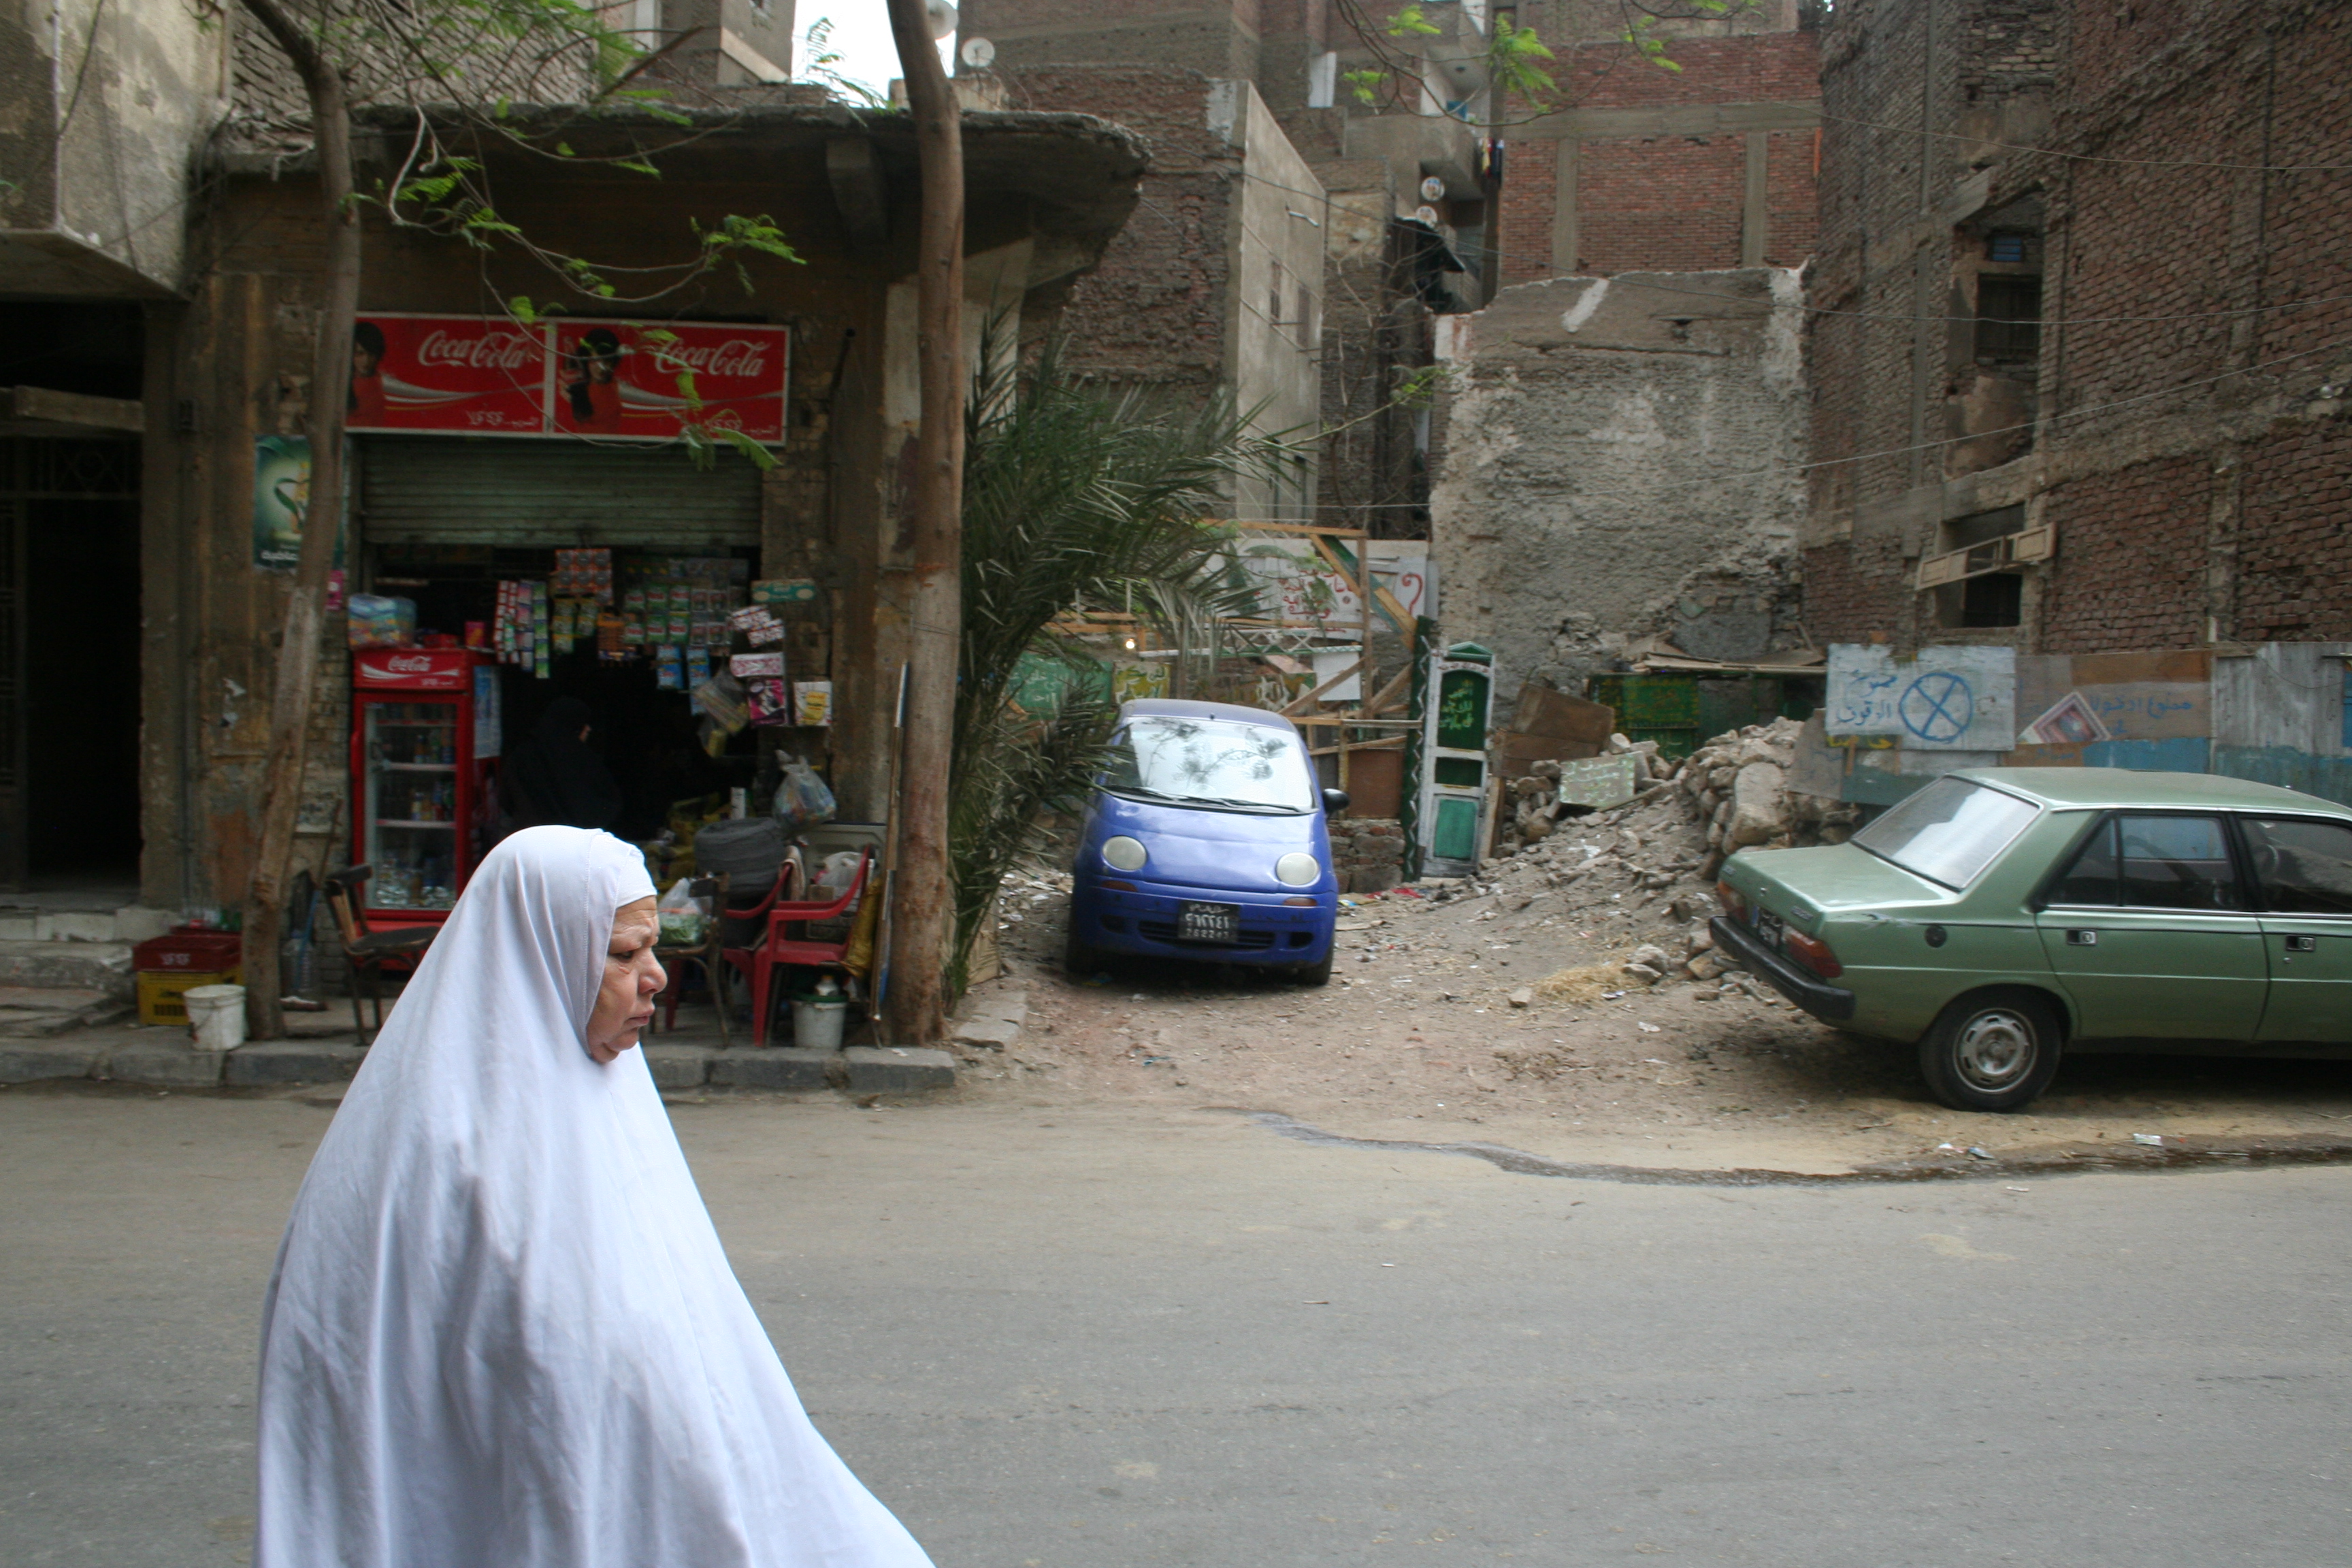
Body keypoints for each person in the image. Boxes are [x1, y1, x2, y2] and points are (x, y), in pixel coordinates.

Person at [254, 827, 935, 1568]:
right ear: (538, 954)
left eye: (650, 951)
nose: (656, 978)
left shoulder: (607, 1086)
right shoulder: (424, 1144)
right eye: (621, 955)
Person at [504, 695, 625, 830]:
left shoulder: (523, 755)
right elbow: (606, 801)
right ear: (575, 726)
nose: (589, 729)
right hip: (579, 839)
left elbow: (508, 798)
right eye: (584, 723)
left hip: (532, 836)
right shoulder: (584, 759)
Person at [349, 320, 388, 426]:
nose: (366, 361)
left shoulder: (378, 384)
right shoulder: (342, 383)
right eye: (360, 354)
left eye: (371, 354)